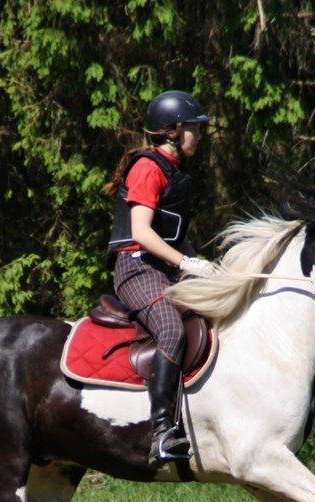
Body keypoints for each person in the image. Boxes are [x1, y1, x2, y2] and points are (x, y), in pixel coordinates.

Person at [105, 90, 217, 467]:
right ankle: (162, 432)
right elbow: (142, 232)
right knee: (171, 329)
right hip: (136, 269)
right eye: (194, 129)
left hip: (164, 269)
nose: (199, 135)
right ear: (172, 131)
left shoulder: (176, 172)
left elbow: (171, 232)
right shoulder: (147, 167)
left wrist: (204, 265)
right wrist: (188, 263)